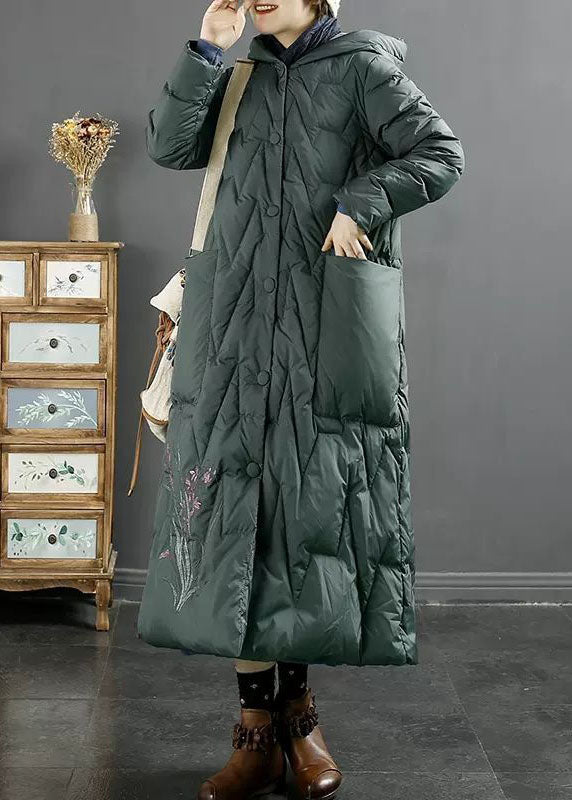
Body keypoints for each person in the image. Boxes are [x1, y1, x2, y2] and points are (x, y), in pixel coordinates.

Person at [140, 1, 465, 798]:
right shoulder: (235, 73)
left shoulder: (363, 67)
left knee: (302, 514)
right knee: (232, 522)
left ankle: (299, 720)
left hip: (323, 325)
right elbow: (170, 147)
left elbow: (439, 152)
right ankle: (255, 730)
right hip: (232, 325)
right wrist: (208, 50)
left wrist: (362, 201)